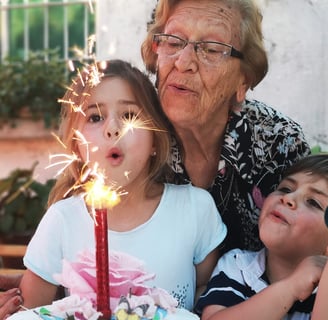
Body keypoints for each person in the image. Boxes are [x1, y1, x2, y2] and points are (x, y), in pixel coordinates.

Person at [17, 59, 227, 311]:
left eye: (129, 115)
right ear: (76, 145)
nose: (113, 129)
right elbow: (29, 312)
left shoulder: (195, 209)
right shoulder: (62, 221)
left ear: (154, 140)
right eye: (95, 117)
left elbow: (207, 295)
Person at [141, 0, 310, 253]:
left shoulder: (279, 143)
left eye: (211, 49)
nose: (183, 62)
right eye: (174, 42)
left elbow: (304, 254)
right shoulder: (131, 133)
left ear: (243, 80)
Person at [194, 154, 328, 320]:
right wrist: (292, 288)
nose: (288, 198)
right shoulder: (238, 266)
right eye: (285, 189)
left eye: (313, 202)